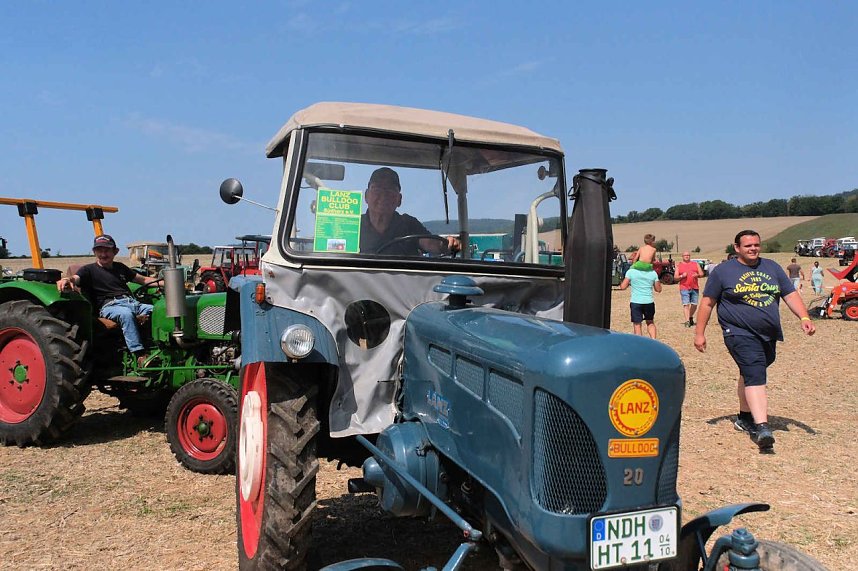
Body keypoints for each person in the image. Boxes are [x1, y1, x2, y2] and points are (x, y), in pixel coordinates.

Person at [694, 230, 815, 452]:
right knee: (755, 373)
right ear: (737, 247)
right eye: (748, 245)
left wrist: (804, 317)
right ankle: (762, 428)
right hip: (738, 332)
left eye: (756, 245)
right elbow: (707, 303)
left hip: (768, 335)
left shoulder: (772, 268)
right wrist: (699, 333)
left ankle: (744, 416)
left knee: (750, 373)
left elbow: (790, 294)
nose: (753, 249)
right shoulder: (723, 272)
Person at [57, 234, 160, 364]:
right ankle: (139, 355)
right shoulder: (89, 270)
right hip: (110, 306)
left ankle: (160, 347)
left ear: (115, 252)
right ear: (94, 252)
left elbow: (143, 279)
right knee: (126, 315)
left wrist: (170, 282)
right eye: (99, 250)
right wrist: (67, 279)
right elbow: (76, 278)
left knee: (160, 310)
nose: (103, 254)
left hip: (132, 302)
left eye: (107, 250)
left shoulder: (120, 268)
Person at [359, 167, 460, 256]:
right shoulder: (353, 225)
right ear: (366, 196)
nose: (384, 195)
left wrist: (446, 244)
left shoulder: (409, 224)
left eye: (390, 190)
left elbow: (430, 243)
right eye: (377, 189)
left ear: (399, 199)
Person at [619, 263, 662, 339]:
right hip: (649, 301)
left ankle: (640, 343)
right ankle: (653, 341)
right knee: (650, 322)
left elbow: (623, 287)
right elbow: (658, 289)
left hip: (636, 302)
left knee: (637, 324)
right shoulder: (652, 272)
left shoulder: (631, 272)